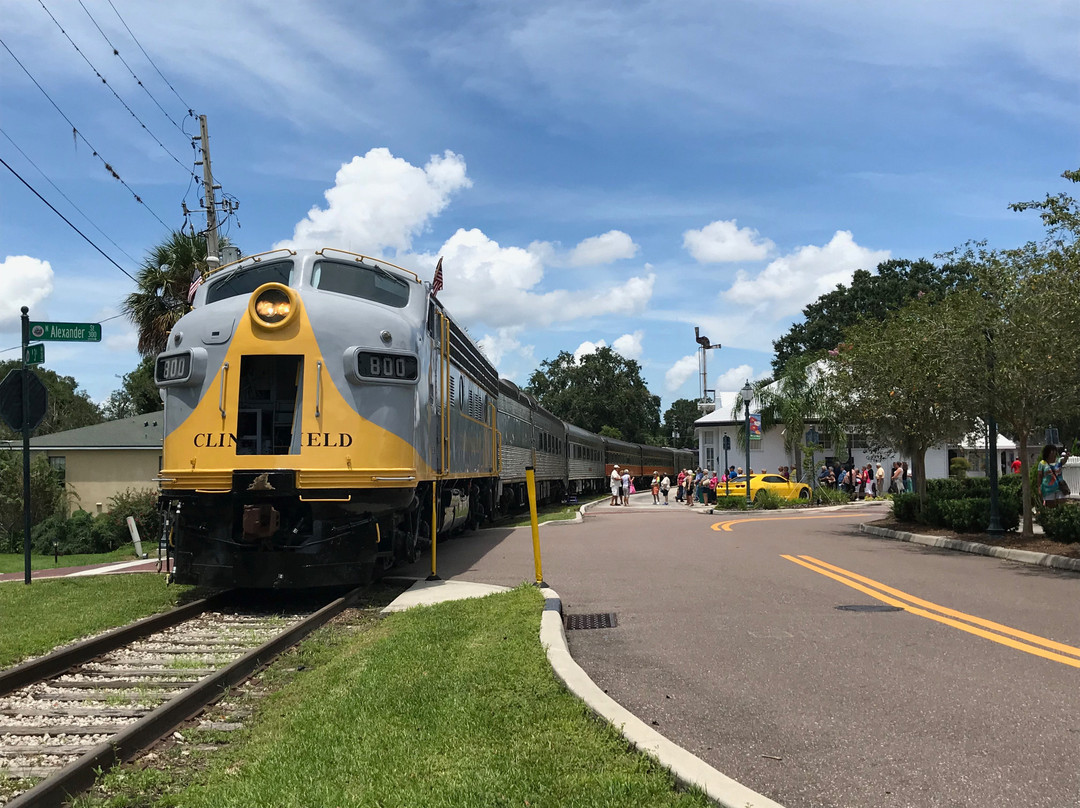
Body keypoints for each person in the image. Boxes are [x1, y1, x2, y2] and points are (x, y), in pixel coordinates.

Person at [1038, 444, 1071, 509]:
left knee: (1062, 505)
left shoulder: (1058, 461)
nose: (1053, 453)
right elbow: (1039, 476)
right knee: (1050, 507)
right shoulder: (1042, 463)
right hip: (1048, 489)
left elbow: (1063, 461)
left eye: (1054, 451)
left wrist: (1066, 457)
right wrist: (1039, 488)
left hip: (1059, 487)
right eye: (1051, 451)